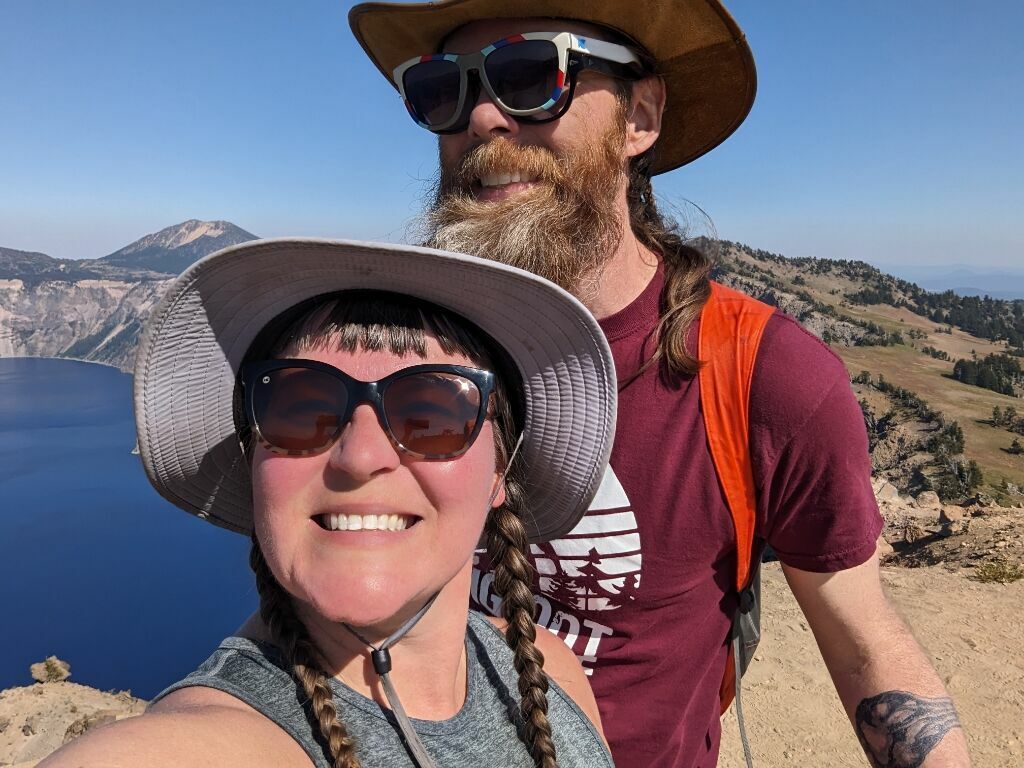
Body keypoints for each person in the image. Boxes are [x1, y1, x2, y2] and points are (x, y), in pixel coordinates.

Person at [348, 1, 972, 766]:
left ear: (639, 118)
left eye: (529, 74)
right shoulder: (406, 349)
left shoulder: (767, 379)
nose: (479, 117)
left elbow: (864, 642)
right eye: (441, 89)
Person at [39, 238, 618, 768]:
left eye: (432, 414)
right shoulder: (190, 748)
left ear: (500, 471)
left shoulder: (549, 668)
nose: (360, 457)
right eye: (301, 408)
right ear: (252, 460)